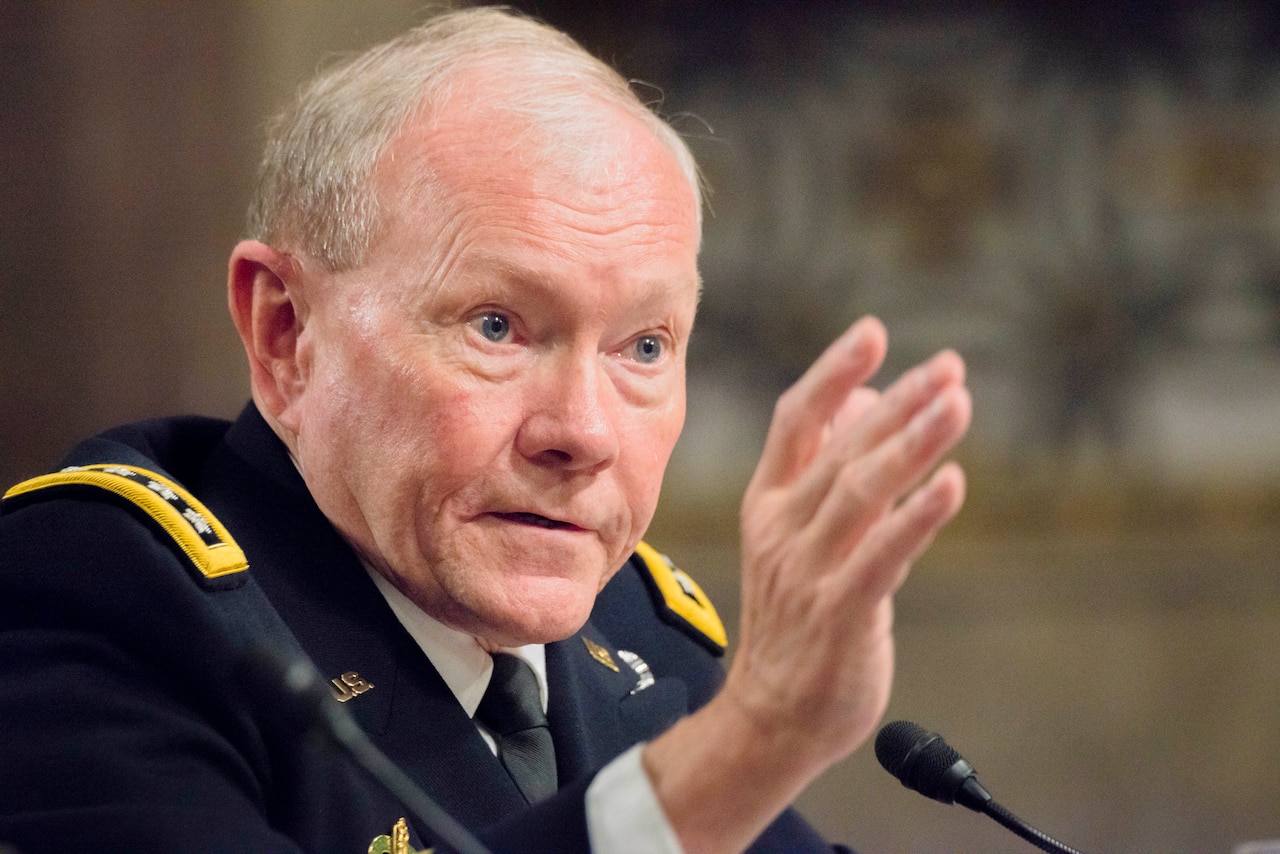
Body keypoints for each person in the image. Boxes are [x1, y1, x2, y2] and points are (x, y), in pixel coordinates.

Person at [0, 7, 971, 853]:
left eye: (641, 345)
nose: (582, 432)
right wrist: (745, 746)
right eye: (496, 326)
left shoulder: (637, 635)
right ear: (286, 333)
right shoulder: (99, 596)